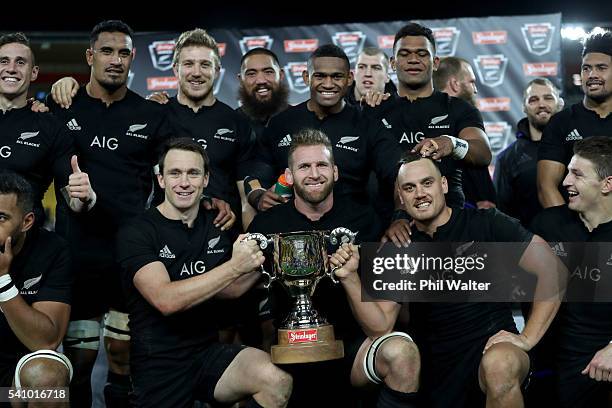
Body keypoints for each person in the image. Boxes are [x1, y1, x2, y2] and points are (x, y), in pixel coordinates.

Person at [333, 152, 563, 407]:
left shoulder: (488, 223)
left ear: (443, 184)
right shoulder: (400, 248)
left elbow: (553, 269)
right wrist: (350, 277)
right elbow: (380, 327)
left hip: (493, 348)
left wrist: (527, 337)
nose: (419, 193)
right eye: (410, 188)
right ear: (400, 196)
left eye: (427, 183)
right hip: (435, 367)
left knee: (501, 365)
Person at [45, 20, 173, 408]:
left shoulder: (151, 114)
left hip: (129, 254)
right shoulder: (58, 106)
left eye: (123, 53)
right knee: (78, 361)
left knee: (122, 356)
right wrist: (56, 86)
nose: (115, 60)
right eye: (106, 51)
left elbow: (178, 170)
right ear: (90, 56)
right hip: (76, 252)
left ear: (133, 58)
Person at [249, 129, 419, 408]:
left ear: (336, 172)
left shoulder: (365, 219)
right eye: (304, 166)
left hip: (352, 349)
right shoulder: (267, 225)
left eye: (322, 165)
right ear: (289, 176)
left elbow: (383, 321)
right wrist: (236, 263)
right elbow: (237, 290)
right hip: (289, 351)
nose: (314, 174)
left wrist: (350, 274)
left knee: (401, 352)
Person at [116, 138, 292, 407]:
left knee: (275, 379)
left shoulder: (216, 222)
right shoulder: (137, 232)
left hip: (207, 354)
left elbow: (229, 287)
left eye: (193, 173)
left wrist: (272, 260)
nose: (184, 182)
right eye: (175, 173)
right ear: (161, 179)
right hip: (158, 365)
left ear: (206, 179)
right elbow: (166, 300)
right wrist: (234, 266)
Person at [248, 44, 400, 223]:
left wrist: (400, 216)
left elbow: (397, 174)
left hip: (355, 226)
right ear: (306, 77)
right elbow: (255, 172)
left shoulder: (366, 124)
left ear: (349, 79)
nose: (328, 84)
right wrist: (257, 196)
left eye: (337, 76)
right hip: (293, 228)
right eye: (320, 76)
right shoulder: (281, 123)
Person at [372, 23, 492, 246]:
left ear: (435, 62)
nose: (413, 59)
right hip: (388, 228)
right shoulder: (374, 110)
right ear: (392, 63)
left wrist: (452, 143)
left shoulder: (458, 108)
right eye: (404, 54)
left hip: (451, 228)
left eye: (422, 53)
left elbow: (483, 152)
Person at [531, 136, 612, 407]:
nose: (565, 182)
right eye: (567, 172)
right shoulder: (547, 225)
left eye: (577, 174)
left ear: (607, 184)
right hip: (561, 359)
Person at [0, 32, 95, 224]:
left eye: (20, 62)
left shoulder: (51, 127)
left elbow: (74, 200)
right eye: (4, 61)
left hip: (28, 244)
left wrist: (87, 197)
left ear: (34, 72)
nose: (11, 69)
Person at [0, 171, 73, 408]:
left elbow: (46, 342)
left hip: (11, 388)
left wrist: (2, 280)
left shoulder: (53, 251)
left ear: (26, 221)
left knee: (50, 384)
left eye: (0, 217)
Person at [537, 29, 612, 208]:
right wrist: (569, 231)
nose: (592, 75)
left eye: (601, 68)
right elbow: (546, 187)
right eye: (586, 68)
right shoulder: (560, 123)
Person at [495, 78, 563, 226]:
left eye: (548, 98)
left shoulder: (576, 148)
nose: (542, 104)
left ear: (559, 103)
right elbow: (503, 216)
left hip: (578, 244)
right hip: (531, 245)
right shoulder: (507, 158)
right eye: (534, 99)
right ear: (524, 107)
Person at [432, 56, 496, 210]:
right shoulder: (462, 113)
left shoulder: (466, 116)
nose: (475, 90)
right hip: (462, 212)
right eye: (471, 82)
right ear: (455, 84)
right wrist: (479, 200)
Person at [237, 47, 289, 138]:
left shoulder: (300, 120)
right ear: (241, 80)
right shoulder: (230, 123)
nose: (261, 81)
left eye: (268, 72)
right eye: (251, 74)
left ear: (280, 75)